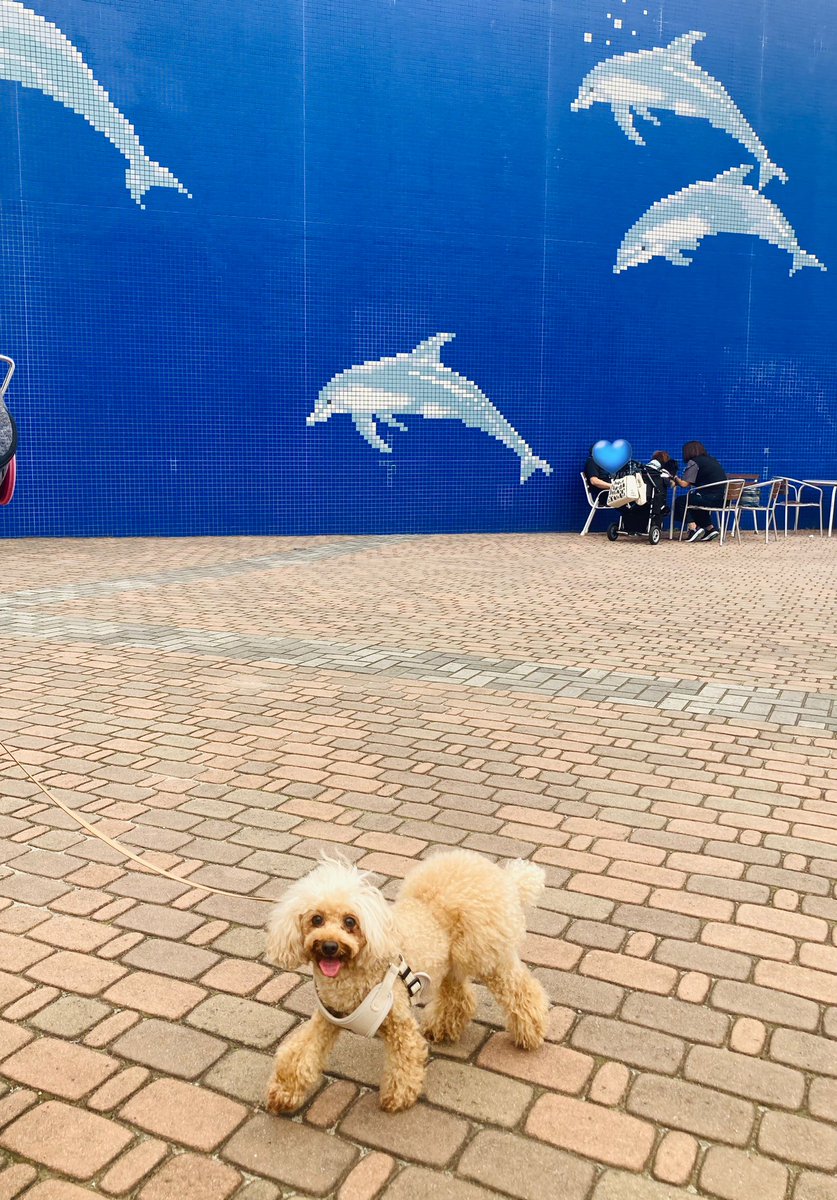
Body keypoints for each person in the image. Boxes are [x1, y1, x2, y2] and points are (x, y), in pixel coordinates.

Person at [674, 441, 728, 542]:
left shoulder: (694, 462)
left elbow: (684, 484)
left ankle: (693, 528)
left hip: (710, 498)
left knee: (681, 501)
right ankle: (710, 529)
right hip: (723, 499)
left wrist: (675, 477)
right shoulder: (712, 460)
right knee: (695, 502)